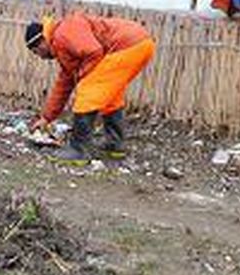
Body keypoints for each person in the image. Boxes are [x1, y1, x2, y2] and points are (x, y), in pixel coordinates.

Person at [25, 14, 156, 165]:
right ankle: (115, 145)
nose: (39, 57)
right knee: (111, 98)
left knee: (87, 94)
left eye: (36, 52)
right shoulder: (62, 45)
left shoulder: (62, 33)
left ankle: (79, 150)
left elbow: (93, 52)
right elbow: (64, 84)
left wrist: (83, 78)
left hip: (125, 46)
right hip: (139, 44)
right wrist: (46, 117)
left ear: (41, 41)